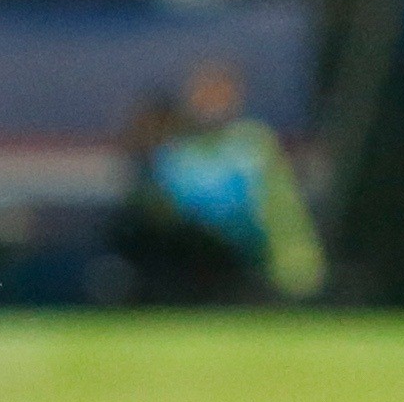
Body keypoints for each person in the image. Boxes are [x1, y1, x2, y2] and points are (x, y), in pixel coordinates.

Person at [109, 61, 322, 303]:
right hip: (184, 264)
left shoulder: (252, 144)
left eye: (220, 95)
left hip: (243, 262)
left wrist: (297, 259)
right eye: (204, 95)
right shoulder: (173, 150)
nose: (212, 105)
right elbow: (151, 211)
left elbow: (282, 209)